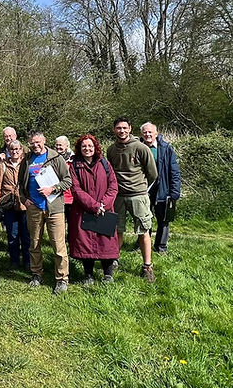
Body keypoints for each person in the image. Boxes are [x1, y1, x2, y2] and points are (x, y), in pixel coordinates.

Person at [17, 131, 73, 294]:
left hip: (54, 208)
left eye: (38, 142)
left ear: (44, 140)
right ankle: (37, 274)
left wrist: (52, 189)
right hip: (34, 208)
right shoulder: (27, 160)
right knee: (34, 243)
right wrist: (24, 199)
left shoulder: (56, 158)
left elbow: (68, 180)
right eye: (32, 143)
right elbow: (20, 184)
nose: (35, 145)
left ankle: (62, 279)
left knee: (58, 245)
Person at [106, 117, 158, 282]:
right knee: (116, 230)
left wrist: (140, 186)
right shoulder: (111, 150)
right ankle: (113, 260)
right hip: (118, 196)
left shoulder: (141, 148)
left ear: (130, 129)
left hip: (138, 195)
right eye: (118, 128)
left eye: (124, 128)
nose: (121, 131)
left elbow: (152, 173)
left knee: (143, 231)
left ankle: (147, 266)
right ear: (114, 130)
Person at [68, 134, 120, 284]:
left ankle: (108, 274)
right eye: (84, 146)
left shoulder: (105, 163)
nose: (87, 149)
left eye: (90, 146)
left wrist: (104, 205)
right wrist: (94, 206)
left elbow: (113, 186)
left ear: (95, 147)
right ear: (79, 148)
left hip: (105, 210)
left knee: (106, 242)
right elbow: (76, 189)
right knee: (86, 243)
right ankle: (88, 275)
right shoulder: (75, 166)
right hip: (84, 210)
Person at [141, 123, 182, 254]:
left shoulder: (166, 148)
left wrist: (175, 191)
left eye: (150, 132)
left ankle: (161, 247)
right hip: (143, 190)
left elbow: (174, 171)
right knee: (144, 219)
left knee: (163, 220)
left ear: (156, 133)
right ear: (141, 134)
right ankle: (142, 245)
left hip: (162, 189)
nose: (148, 134)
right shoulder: (137, 147)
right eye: (145, 132)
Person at [0, 139, 30, 271]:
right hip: (9, 204)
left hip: (24, 203)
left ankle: (28, 261)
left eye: (17, 149)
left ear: (21, 150)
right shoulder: (3, 164)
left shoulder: (26, 163)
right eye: (12, 149)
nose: (14, 151)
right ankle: (14, 261)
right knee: (12, 234)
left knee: (26, 235)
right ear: (8, 151)